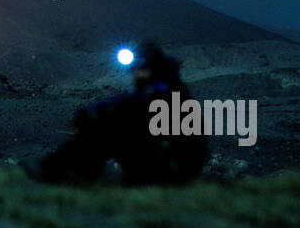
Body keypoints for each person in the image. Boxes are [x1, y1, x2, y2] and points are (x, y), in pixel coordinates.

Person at [30, 42, 206, 185]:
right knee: (109, 128)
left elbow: (132, 107)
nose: (136, 73)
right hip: (172, 163)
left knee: (108, 130)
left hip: (173, 167)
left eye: (141, 67)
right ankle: (71, 172)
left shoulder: (166, 91)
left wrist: (90, 115)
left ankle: (60, 171)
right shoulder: (169, 88)